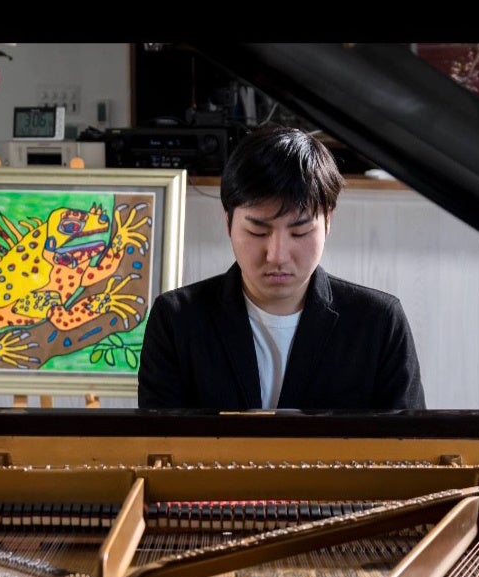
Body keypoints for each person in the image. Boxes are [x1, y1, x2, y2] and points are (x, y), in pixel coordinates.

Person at [138, 126, 426, 410]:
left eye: (299, 232)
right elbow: (157, 438)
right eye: (258, 232)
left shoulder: (378, 323)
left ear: (327, 222)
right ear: (228, 222)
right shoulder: (176, 320)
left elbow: (408, 439)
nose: (277, 256)